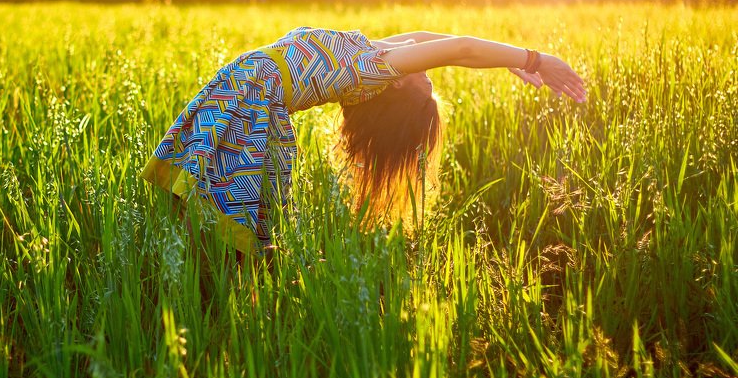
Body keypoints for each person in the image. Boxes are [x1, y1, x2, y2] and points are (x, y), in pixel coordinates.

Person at [141, 27, 586, 257]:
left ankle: (202, 294)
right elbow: (437, 40)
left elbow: (457, 50)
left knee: (228, 217)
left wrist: (535, 58)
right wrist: (517, 61)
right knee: (206, 204)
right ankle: (189, 282)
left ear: (396, 88)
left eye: (424, 84)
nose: (428, 75)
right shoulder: (371, 57)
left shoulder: (373, 70)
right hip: (242, 90)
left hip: (247, 96)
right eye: (429, 79)